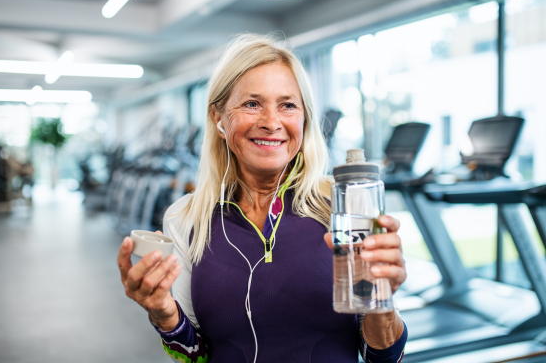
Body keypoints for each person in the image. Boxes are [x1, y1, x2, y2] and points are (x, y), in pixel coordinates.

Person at [117, 34, 407, 363]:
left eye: (287, 105)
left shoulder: (344, 206)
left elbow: (383, 359)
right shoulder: (186, 218)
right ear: (218, 117)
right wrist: (165, 315)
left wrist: (381, 299)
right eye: (252, 104)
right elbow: (196, 357)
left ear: (304, 119)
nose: (271, 123)